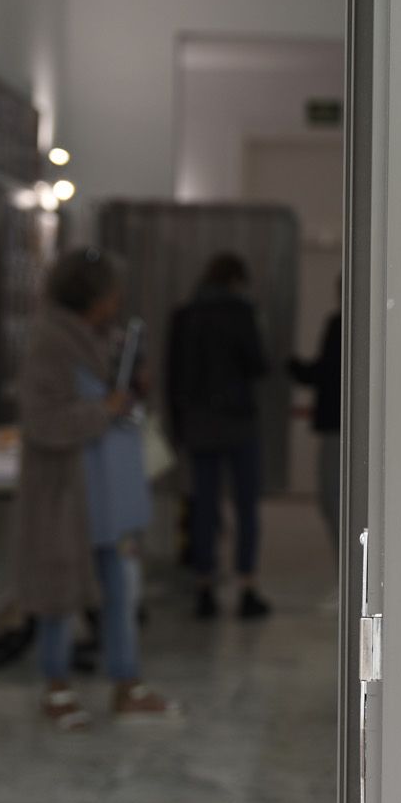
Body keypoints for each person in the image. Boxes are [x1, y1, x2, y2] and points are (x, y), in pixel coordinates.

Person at [13, 246, 177, 730]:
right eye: (110, 291)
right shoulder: (50, 344)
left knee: (122, 594)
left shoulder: (105, 338)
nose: (118, 299)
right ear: (90, 295)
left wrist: (131, 392)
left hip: (116, 495)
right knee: (59, 595)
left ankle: (128, 684)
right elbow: (42, 422)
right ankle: (56, 689)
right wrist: (102, 410)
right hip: (70, 495)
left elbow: (116, 403)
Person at [166, 252, 271, 619]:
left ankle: (204, 586)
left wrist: (178, 428)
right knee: (246, 507)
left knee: (204, 506)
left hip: (199, 423)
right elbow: (259, 364)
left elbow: (174, 376)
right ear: (235, 279)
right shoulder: (242, 313)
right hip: (238, 422)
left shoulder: (186, 315)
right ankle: (247, 587)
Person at [290, 287, 340, 544]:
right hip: (345, 425)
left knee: (334, 501)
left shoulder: (339, 324)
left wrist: (295, 368)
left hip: (337, 425)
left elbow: (325, 371)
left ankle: (344, 572)